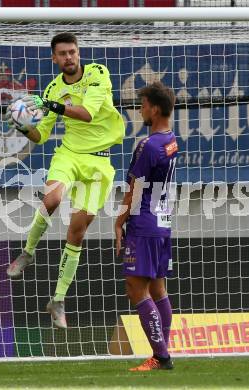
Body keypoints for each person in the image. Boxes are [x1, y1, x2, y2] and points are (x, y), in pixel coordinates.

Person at [6, 32, 125, 329]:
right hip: (69, 155)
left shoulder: (97, 73)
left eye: (72, 51)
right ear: (54, 58)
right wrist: (22, 127)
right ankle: (27, 253)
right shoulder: (53, 89)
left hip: (99, 161)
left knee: (76, 232)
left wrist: (51, 105)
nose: (69, 57)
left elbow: (86, 114)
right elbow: (41, 135)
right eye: (63, 53)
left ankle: (57, 300)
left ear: (78, 53)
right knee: (53, 199)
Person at [115, 81, 177, 371]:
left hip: (145, 223)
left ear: (154, 108)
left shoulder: (148, 145)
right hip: (162, 222)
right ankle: (161, 352)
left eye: (142, 105)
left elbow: (134, 190)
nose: (140, 109)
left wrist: (119, 222)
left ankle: (161, 356)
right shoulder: (171, 139)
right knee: (158, 288)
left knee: (135, 288)